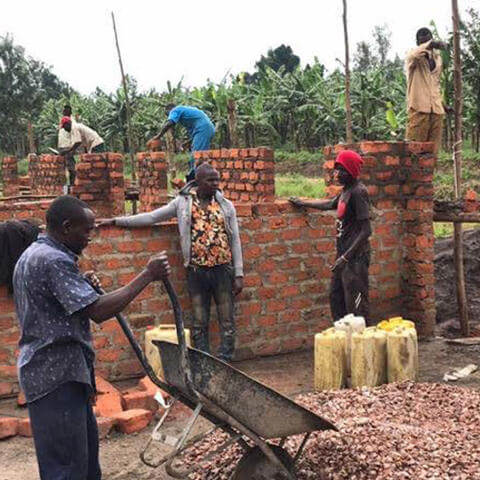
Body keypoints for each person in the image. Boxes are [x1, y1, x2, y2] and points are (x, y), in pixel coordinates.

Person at [13, 195, 171, 480]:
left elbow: (60, 302)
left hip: (59, 374)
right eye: (86, 230)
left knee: (83, 465)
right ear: (65, 227)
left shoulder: (36, 253)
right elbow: (98, 311)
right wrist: (147, 275)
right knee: (67, 469)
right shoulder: (53, 261)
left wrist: (81, 285)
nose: (90, 237)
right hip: (56, 377)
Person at [100, 163, 243, 362]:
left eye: (217, 180)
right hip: (197, 271)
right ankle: (204, 362)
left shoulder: (226, 206)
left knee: (227, 319)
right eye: (210, 180)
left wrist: (238, 273)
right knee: (199, 321)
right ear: (197, 182)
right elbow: (151, 217)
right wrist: (117, 221)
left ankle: (226, 359)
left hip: (222, 270)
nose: (215, 184)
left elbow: (235, 239)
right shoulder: (183, 204)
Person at [290, 150, 371, 324]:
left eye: (341, 170)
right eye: (336, 170)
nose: (336, 174)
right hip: (343, 256)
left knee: (356, 306)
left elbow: (366, 230)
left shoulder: (358, 193)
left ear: (351, 171)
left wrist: (345, 257)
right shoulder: (346, 191)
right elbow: (329, 204)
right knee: (336, 298)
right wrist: (303, 202)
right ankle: (343, 339)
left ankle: (361, 345)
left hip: (355, 258)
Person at [405, 27, 451, 153]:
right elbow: (413, 55)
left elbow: (435, 84)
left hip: (436, 111)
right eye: (421, 37)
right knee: (414, 150)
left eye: (427, 36)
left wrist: (442, 104)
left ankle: (430, 173)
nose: (425, 38)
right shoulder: (413, 58)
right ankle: (413, 173)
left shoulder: (437, 59)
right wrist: (429, 44)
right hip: (419, 109)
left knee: (432, 151)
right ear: (417, 42)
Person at [151, 104, 215, 181]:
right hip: (207, 128)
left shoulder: (175, 110)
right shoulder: (185, 112)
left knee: (197, 155)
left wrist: (158, 136)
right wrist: (187, 143)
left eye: (167, 114)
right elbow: (194, 132)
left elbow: (170, 123)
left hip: (203, 128)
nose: (169, 116)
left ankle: (195, 179)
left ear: (169, 110)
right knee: (198, 154)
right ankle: (198, 176)